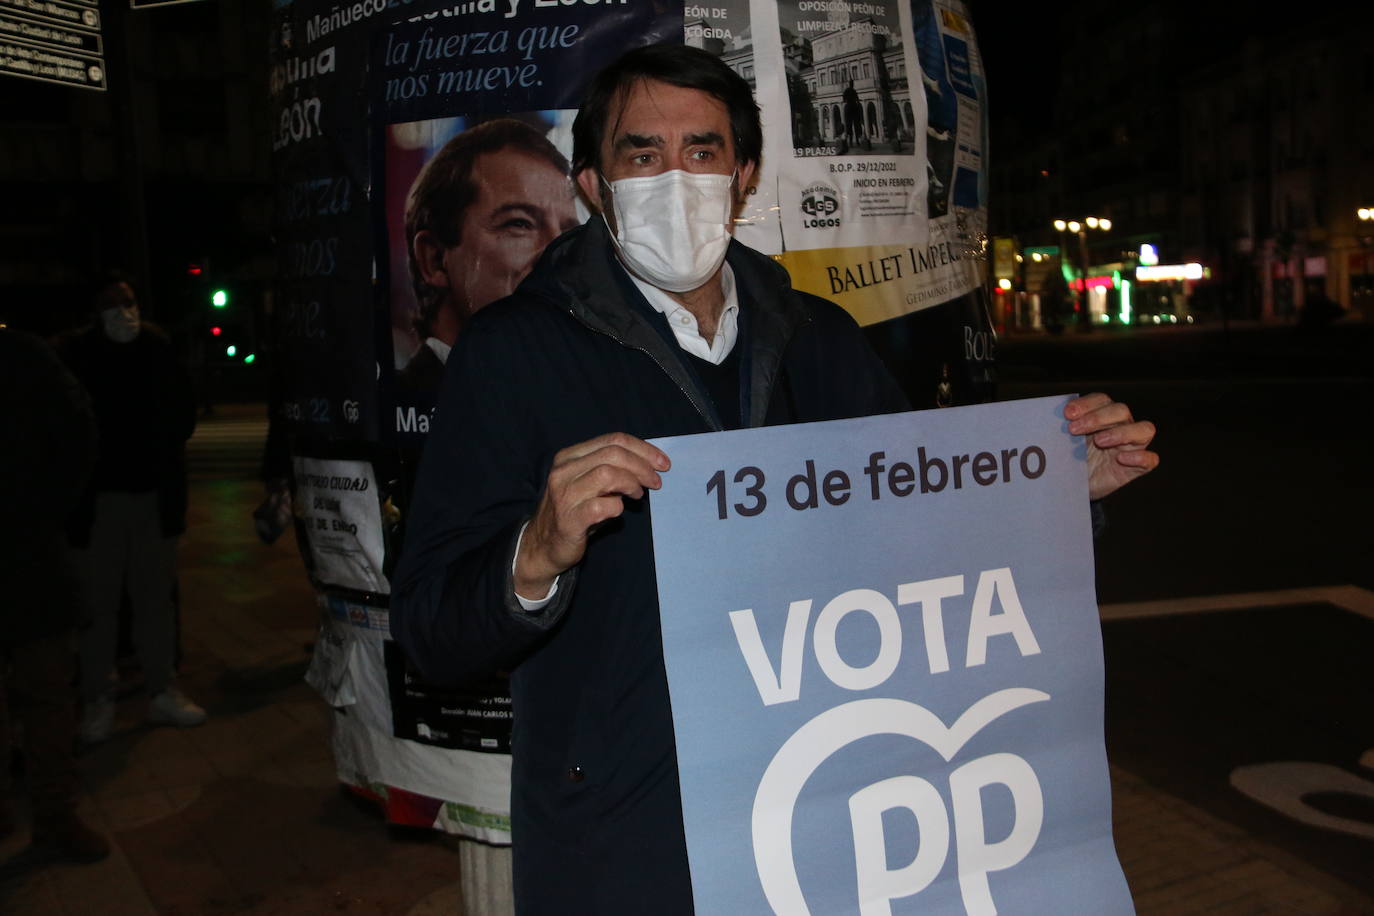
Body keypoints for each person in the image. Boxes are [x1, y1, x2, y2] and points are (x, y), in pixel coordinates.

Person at [392, 44, 1158, 912]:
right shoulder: (511, 356)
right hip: (633, 836)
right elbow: (430, 628)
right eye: (641, 154)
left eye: (703, 151)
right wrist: (533, 556)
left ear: (743, 176)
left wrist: (1057, 492)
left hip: (819, 814)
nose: (673, 178)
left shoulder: (819, 339)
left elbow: (927, 523)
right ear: (596, 188)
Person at [61, 274, 207, 744]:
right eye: (112, 305)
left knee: (154, 602)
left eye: (128, 303)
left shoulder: (156, 349)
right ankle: (98, 696)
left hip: (151, 498)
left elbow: (182, 412)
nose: (123, 313)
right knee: (98, 606)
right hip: (99, 502)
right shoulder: (76, 355)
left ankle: (162, 688)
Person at [0, 325, 110, 863]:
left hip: (28, 555)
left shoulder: (24, 357)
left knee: (46, 693)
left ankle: (54, 817)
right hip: (31, 547)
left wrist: (41, 514)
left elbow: (78, 435)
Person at [398, 118, 580, 389]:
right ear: (434, 259)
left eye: (568, 234)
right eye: (520, 223)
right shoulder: (397, 404)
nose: (558, 255)